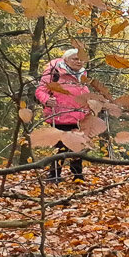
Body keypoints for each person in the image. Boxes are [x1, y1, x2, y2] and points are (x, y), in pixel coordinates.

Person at [34, 48, 92, 182]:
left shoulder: (83, 75)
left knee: (78, 147)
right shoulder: (54, 72)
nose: (79, 62)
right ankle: (54, 176)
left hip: (79, 117)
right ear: (66, 60)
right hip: (59, 116)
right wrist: (47, 100)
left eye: (81, 59)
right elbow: (40, 90)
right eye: (75, 59)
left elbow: (84, 93)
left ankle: (78, 176)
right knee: (61, 148)